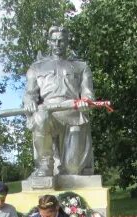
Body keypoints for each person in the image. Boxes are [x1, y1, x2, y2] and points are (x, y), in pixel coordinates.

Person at [23, 26, 94, 177]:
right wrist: (29, 101)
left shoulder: (81, 66)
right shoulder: (36, 68)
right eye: (54, 41)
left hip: (73, 114)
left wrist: (86, 101)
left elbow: (88, 92)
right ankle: (45, 164)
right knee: (39, 117)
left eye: (61, 41)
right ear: (49, 42)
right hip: (48, 114)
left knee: (73, 170)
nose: (57, 44)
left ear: (67, 42)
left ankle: (71, 165)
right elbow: (30, 94)